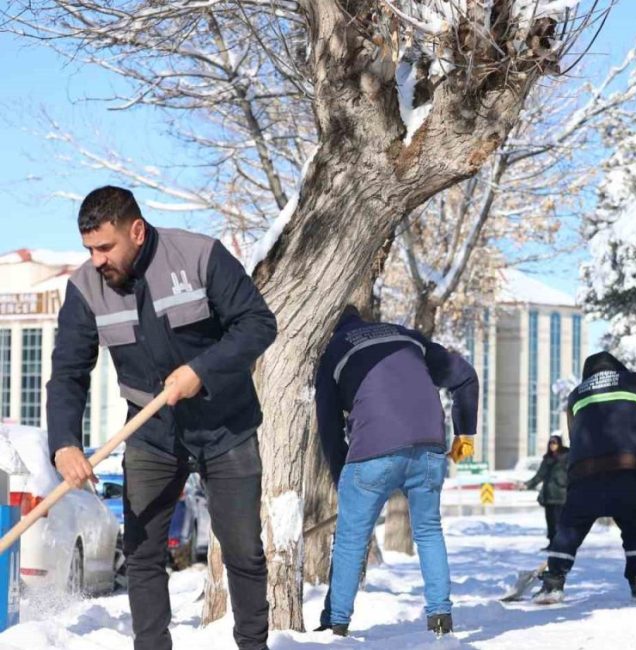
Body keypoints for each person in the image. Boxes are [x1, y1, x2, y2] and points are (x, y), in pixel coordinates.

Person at [47, 186, 277, 650]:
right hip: (151, 434)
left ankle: (253, 644)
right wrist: (65, 442)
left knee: (243, 552)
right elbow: (69, 371)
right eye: (89, 249)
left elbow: (258, 323)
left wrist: (201, 370)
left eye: (105, 247)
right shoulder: (85, 288)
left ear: (136, 230)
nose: (97, 260)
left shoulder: (199, 255)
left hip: (226, 425)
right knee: (143, 554)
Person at [314, 306, 479, 638]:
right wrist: (465, 436)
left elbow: (329, 429)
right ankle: (440, 617)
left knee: (350, 539)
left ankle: (337, 623)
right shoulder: (406, 335)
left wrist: (341, 480)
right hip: (430, 446)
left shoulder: (333, 350)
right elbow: (464, 376)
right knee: (429, 531)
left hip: (373, 450)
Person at [533, 351, 636, 604]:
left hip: (586, 472)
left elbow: (575, 436)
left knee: (569, 530)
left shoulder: (576, 394)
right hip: (626, 469)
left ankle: (554, 582)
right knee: (634, 529)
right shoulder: (634, 381)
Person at [523, 434, 569, 550]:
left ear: (559, 444)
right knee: (550, 522)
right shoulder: (547, 458)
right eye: (551, 443)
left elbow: (572, 474)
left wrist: (563, 482)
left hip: (560, 495)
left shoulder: (566, 457)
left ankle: (560, 544)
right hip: (548, 495)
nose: (552, 445)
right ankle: (552, 542)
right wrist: (527, 484)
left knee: (559, 521)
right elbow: (539, 475)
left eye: (555, 443)